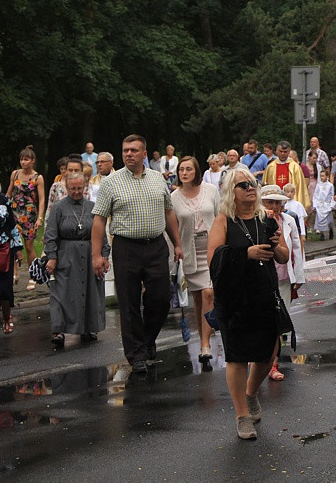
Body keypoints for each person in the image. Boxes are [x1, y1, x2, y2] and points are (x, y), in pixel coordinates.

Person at [91, 134, 183, 374]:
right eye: (125, 150)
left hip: (156, 246)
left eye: (134, 150)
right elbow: (99, 220)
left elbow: (169, 212)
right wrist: (96, 255)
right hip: (126, 247)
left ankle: (147, 337)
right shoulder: (111, 183)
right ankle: (137, 354)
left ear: (144, 153)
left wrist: (178, 244)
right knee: (129, 302)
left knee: (161, 299)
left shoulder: (157, 179)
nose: (129, 154)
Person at [207, 170, 289, 439]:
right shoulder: (223, 221)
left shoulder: (265, 218)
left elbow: (284, 256)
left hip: (265, 293)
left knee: (269, 351)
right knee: (238, 356)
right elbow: (214, 262)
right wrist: (246, 254)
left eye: (252, 184)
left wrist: (275, 247)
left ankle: (251, 393)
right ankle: (242, 416)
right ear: (232, 192)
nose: (250, 188)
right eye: (243, 185)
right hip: (234, 298)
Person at [44, 173, 109, 347]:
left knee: (90, 291)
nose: (76, 192)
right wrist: (51, 256)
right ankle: (59, 330)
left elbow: (100, 233)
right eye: (73, 188)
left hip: (89, 253)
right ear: (67, 187)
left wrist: (104, 255)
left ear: (84, 187)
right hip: (66, 253)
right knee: (62, 293)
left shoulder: (92, 206)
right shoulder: (59, 208)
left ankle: (89, 327)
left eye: (79, 188)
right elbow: (50, 234)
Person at [171, 156, 220, 369]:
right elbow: (171, 227)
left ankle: (205, 344)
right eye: (181, 169)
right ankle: (203, 342)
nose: (184, 173)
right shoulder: (173, 197)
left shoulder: (210, 190)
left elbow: (220, 217)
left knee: (209, 293)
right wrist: (175, 249)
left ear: (196, 171)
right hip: (189, 252)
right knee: (198, 300)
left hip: (210, 248)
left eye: (189, 169)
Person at [260, 185, 304, 382]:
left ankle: (273, 364)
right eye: (270, 202)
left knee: (277, 322)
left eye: (278, 202)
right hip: (261, 277)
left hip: (284, 277)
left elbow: (296, 248)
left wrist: (299, 277)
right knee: (262, 321)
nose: (275, 206)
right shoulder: (256, 220)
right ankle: (258, 363)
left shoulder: (289, 220)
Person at [0, 170, 23, 341]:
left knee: (4, 287)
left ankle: (6, 317)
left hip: (3, 250)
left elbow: (12, 225)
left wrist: (18, 249)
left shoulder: (3, 201)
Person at [6, 146, 46, 291]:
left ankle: (32, 275)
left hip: (29, 215)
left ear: (32, 161)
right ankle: (14, 272)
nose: (23, 162)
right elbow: (9, 192)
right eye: (22, 159)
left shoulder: (37, 178)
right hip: (14, 213)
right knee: (12, 245)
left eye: (26, 159)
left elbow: (41, 199)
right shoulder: (15, 174)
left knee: (29, 246)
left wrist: (40, 218)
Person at [263, 141, 311, 209]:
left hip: (291, 203)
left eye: (285, 152)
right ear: (276, 151)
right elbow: (266, 185)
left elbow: (300, 187)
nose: (283, 154)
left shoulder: (295, 167)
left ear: (289, 152)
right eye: (280, 151)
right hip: (274, 201)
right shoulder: (270, 167)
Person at [44, 157, 84, 227]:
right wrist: (46, 229)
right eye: (70, 170)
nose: (73, 173)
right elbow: (50, 208)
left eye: (76, 170)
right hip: (61, 224)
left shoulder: (87, 188)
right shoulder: (56, 187)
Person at [312, 169, 335, 239]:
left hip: (327, 204)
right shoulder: (318, 185)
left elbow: (332, 196)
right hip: (320, 205)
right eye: (320, 176)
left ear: (327, 176)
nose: (322, 177)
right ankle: (322, 234)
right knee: (320, 220)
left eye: (323, 176)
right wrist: (315, 205)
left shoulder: (330, 186)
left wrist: (332, 205)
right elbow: (315, 195)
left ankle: (331, 230)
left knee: (329, 220)